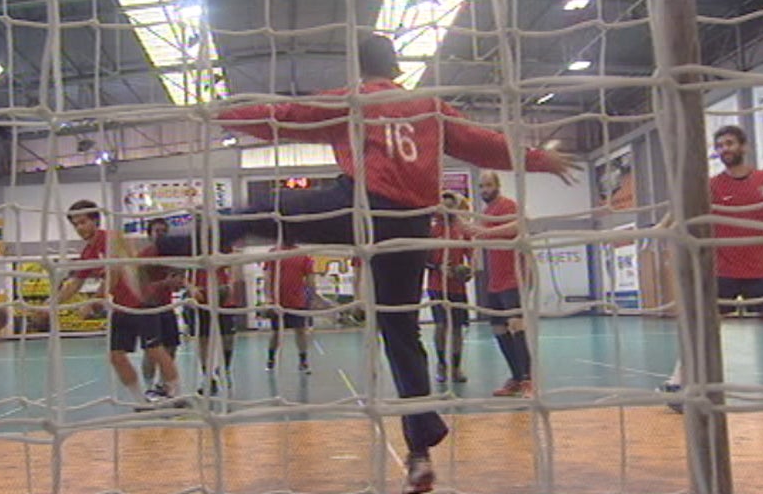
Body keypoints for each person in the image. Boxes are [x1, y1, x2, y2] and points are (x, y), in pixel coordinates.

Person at [155, 35, 579, 494]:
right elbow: (485, 144)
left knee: (265, 214)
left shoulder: (354, 100)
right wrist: (540, 159)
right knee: (401, 334)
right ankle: (419, 454)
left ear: (359, 70)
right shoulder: (431, 107)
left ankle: (171, 249)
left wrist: (218, 113)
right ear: (397, 67)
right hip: (412, 226)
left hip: (359, 207)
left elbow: (285, 117)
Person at [659, 125, 763, 408]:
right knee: (705, 329)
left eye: (729, 143)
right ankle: (678, 382)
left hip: (761, 270)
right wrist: (660, 228)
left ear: (743, 146)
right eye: (719, 146)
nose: (724, 149)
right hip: (723, 271)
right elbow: (680, 206)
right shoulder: (712, 185)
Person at [55, 200, 184, 405]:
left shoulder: (113, 239)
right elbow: (75, 284)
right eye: (75, 224)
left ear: (96, 221)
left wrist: (95, 301)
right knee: (116, 355)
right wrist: (49, 305)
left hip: (142, 302)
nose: (80, 228)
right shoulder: (87, 253)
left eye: (83, 222)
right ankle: (140, 402)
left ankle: (178, 396)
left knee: (155, 350)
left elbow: (114, 272)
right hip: (122, 307)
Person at [462, 171, 534, 398]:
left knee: (516, 325)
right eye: (481, 186)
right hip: (495, 281)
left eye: (488, 185)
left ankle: (528, 381)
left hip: (515, 277)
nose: (484, 190)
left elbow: (518, 227)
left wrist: (484, 230)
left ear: (498, 185)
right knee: (498, 329)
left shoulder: (508, 205)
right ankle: (515, 377)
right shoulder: (485, 213)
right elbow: (480, 238)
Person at [426, 191, 473, 384]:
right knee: (441, 326)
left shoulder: (462, 230)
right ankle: (441, 365)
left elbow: (472, 256)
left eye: (451, 205)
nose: (448, 209)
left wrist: (467, 271)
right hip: (437, 286)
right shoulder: (431, 230)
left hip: (457, 288)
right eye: (444, 205)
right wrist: (438, 267)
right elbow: (421, 259)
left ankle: (456, 367)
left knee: (457, 329)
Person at [182, 256, 239, 395]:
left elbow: (233, 264)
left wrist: (230, 285)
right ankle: (208, 377)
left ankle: (224, 368)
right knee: (203, 339)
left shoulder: (222, 243)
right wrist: (192, 288)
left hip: (222, 297)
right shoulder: (191, 246)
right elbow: (182, 274)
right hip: (201, 298)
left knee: (228, 338)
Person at [138, 218, 182, 393]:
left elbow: (178, 279)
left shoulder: (172, 256)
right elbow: (141, 288)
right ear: (149, 235)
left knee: (171, 347)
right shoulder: (143, 257)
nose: (161, 234)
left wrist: (182, 282)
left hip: (166, 307)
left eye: (164, 231)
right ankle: (148, 389)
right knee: (151, 350)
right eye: (157, 231)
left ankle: (164, 386)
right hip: (148, 308)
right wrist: (165, 283)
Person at [263, 238, 317, 374]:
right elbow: (268, 277)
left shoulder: (303, 255)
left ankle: (303, 361)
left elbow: (310, 279)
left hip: (297, 302)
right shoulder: (273, 253)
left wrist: (310, 298)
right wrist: (268, 298)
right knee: (276, 333)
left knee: (300, 331)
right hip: (277, 302)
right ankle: (271, 360)